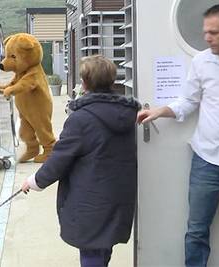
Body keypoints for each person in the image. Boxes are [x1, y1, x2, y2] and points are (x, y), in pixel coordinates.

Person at [137, 4, 219, 266]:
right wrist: (159, 111)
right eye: (205, 32)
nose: (206, 38)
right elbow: (187, 102)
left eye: (213, 32)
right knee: (197, 232)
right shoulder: (201, 63)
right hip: (207, 160)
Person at [21, 55, 141, 267]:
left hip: (91, 200)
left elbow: (59, 159)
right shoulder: (126, 114)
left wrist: (33, 182)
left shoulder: (81, 119)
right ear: (112, 82)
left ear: (84, 84)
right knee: (103, 249)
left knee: (92, 253)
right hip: (118, 196)